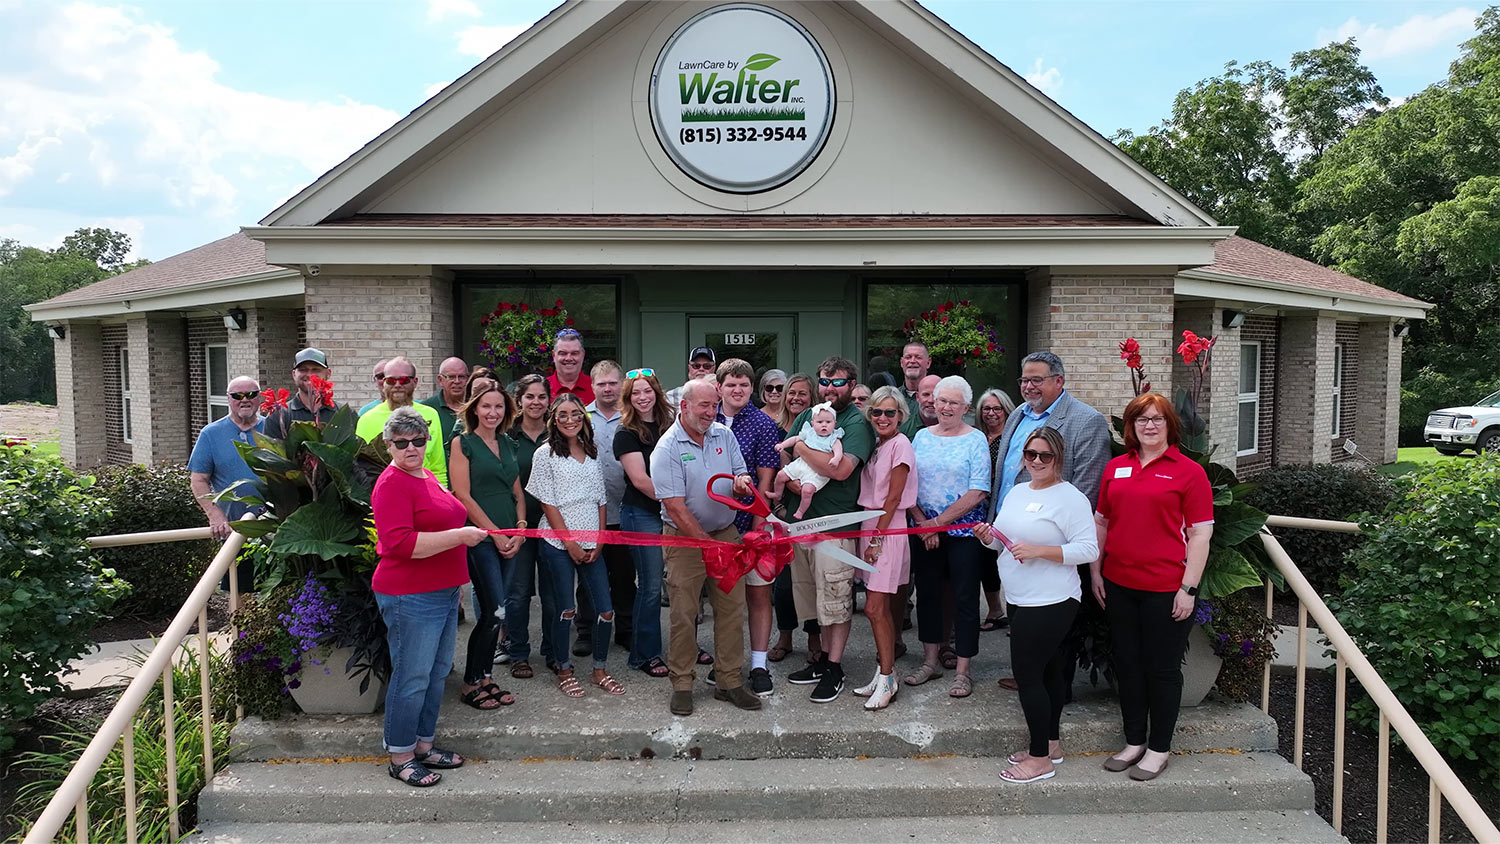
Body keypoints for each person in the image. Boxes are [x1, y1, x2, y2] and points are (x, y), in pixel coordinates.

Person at [1094, 394, 1213, 782]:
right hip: (1119, 584)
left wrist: (1188, 589)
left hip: (1166, 589)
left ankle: (1159, 749)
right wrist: (1096, 572)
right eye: (1141, 419)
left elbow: (1199, 536)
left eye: (1157, 419)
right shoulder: (1116, 467)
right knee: (1127, 664)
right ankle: (1134, 741)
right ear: (1131, 426)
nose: (1149, 425)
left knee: (1161, 670)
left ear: (1169, 426)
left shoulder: (1189, 472)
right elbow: (1101, 524)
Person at [371, 406, 488, 787]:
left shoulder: (425, 477)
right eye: (401, 443)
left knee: (436, 673)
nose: (411, 448)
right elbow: (400, 543)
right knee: (412, 676)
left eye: (418, 441)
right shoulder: (391, 483)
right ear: (388, 445)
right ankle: (401, 754)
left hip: (442, 591)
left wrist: (455, 582)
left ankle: (423, 745)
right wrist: (460, 536)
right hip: (409, 594)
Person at [975, 427, 1098, 784]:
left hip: (1052, 599)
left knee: (1028, 676)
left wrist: (1040, 550)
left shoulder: (1070, 498)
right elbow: (1004, 543)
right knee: (1047, 673)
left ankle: (1039, 758)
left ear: (1058, 458)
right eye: (1031, 454)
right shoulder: (1015, 492)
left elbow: (1088, 549)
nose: (1038, 461)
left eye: (1046, 455)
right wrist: (989, 538)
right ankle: (1051, 744)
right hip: (1019, 596)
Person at [989, 351, 1112, 692]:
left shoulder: (1086, 421)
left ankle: (1056, 691)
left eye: (1036, 380)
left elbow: (1087, 489)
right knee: (1023, 614)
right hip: (1014, 532)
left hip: (1055, 541)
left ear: (1059, 381)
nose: (1029, 387)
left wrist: (1050, 543)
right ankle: (1030, 676)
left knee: (1056, 624)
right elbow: (1007, 476)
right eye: (1024, 380)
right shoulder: (1018, 414)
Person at [651, 379, 761, 716]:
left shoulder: (723, 435)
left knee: (731, 609)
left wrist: (743, 484)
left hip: (726, 533)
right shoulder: (667, 448)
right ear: (684, 406)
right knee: (685, 613)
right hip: (684, 540)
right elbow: (675, 508)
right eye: (704, 405)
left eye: (714, 405)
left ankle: (729, 682)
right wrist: (706, 545)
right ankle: (682, 684)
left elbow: (740, 474)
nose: (711, 412)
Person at [782, 357, 875, 704]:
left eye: (838, 382)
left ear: (852, 384)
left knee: (836, 600)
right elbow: (785, 460)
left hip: (836, 527)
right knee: (811, 599)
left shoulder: (855, 423)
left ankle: (835, 666)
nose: (830, 389)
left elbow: (839, 471)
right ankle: (820, 661)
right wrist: (796, 484)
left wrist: (804, 449)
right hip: (801, 524)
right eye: (825, 381)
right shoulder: (809, 414)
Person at [526, 393, 621, 698]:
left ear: (584, 418)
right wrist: (570, 544)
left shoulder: (591, 452)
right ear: (553, 419)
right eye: (563, 415)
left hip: (593, 541)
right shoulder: (545, 455)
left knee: (605, 609)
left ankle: (599, 669)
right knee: (565, 609)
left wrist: (601, 539)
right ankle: (564, 669)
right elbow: (547, 502)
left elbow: (601, 499)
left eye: (576, 414)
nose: (570, 420)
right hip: (557, 542)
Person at [904, 375, 990, 699]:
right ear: (933, 403)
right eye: (942, 401)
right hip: (925, 528)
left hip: (963, 531)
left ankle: (963, 670)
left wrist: (937, 523)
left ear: (966, 407)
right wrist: (922, 521)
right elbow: (908, 484)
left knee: (966, 598)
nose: (947, 407)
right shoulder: (922, 437)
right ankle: (930, 661)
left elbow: (979, 490)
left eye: (954, 402)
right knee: (927, 593)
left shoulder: (975, 439)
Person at [448, 380, 524, 711]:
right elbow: (462, 495)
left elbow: (517, 490)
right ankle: (470, 683)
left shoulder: (508, 443)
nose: (493, 412)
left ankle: (486, 677)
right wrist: (494, 533)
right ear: (474, 408)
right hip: (480, 537)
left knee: (500, 610)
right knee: (493, 609)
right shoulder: (462, 443)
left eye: (499, 406)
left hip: (511, 535)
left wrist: (520, 529)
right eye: (486, 406)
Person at [715, 358, 783, 698]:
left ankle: (758, 664)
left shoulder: (762, 423)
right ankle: (726, 661)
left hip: (752, 525)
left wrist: (756, 535)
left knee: (758, 594)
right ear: (719, 388)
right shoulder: (704, 419)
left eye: (743, 385)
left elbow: (766, 482)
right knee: (724, 598)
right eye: (731, 385)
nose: (737, 390)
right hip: (714, 527)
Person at [850, 386, 918, 710]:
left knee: (876, 608)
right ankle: (883, 674)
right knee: (877, 608)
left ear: (900, 416)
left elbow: (893, 497)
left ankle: (889, 677)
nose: (882, 417)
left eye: (889, 412)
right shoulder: (880, 445)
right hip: (872, 525)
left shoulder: (901, 445)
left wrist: (876, 540)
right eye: (876, 411)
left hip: (887, 529)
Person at [614, 368, 674, 678]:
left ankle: (683, 647)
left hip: (673, 514)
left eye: (646, 391)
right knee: (651, 587)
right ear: (628, 398)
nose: (642, 397)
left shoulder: (671, 426)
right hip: (643, 514)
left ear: (656, 393)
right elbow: (640, 480)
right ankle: (644, 654)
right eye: (635, 393)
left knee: (681, 585)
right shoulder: (626, 433)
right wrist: (676, 504)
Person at [580, 360, 636, 656]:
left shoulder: (632, 416)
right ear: (592, 387)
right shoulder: (581, 417)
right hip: (589, 512)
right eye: (601, 384)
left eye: (613, 383)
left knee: (625, 576)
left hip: (625, 508)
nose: (608, 388)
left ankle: (626, 630)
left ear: (621, 384)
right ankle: (586, 630)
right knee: (590, 573)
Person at [501, 374, 554, 678]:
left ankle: (551, 649)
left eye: (542, 397)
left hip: (552, 525)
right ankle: (518, 651)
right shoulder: (507, 436)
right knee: (518, 592)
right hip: (518, 524)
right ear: (519, 401)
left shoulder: (558, 432)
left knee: (553, 592)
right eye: (530, 397)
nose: (536, 402)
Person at [188, 375, 264, 588]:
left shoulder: (275, 428)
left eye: (251, 394)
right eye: (237, 395)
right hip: (234, 533)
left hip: (272, 530)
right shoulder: (211, 434)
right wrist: (215, 515)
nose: (245, 399)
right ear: (228, 399)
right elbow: (198, 480)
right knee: (238, 593)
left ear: (260, 398)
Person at [768, 370, 820, 664]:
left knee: (810, 580)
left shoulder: (818, 427)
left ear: (811, 397)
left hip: (812, 512)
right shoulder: (774, 429)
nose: (796, 398)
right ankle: (785, 635)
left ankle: (814, 636)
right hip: (782, 514)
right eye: (791, 392)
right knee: (784, 581)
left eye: (802, 393)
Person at [356, 357, 448, 486]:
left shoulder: (430, 414)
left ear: (415, 382)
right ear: (384, 383)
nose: (397, 385)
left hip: (425, 491)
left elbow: (437, 466)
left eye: (404, 380)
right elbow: (360, 469)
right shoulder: (367, 419)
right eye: (391, 380)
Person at [977, 388, 1018, 635]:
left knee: (1011, 558)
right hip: (981, 505)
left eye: (997, 408)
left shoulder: (1013, 439)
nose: (991, 413)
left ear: (1006, 410)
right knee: (986, 560)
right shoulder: (977, 436)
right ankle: (995, 610)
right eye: (986, 409)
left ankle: (1018, 614)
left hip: (1006, 503)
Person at [771, 402, 845, 520]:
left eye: (828, 422)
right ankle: (777, 494)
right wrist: (783, 445)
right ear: (813, 424)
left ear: (834, 424)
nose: (824, 425)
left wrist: (836, 458)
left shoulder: (833, 438)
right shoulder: (809, 432)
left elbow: (838, 450)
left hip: (817, 471)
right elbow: (795, 439)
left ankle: (800, 511)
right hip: (802, 463)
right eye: (820, 422)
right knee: (780, 475)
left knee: (807, 490)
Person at [263, 348, 341, 439]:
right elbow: (271, 450)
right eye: (303, 370)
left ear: (328, 373)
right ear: (294, 374)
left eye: (316, 370)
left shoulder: (342, 413)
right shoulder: (279, 415)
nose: (309, 375)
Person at [419, 356, 469, 468]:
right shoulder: (426, 409)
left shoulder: (477, 407)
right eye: (451, 377)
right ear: (440, 380)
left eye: (461, 376)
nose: (457, 381)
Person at [546, 328, 594, 407]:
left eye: (574, 353)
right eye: (563, 353)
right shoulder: (542, 389)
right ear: (554, 355)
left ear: (583, 355)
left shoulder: (596, 388)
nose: (568, 358)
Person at [898, 342, 931, 423]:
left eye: (918, 357)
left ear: (928, 363)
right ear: (902, 362)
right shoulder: (893, 398)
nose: (912, 361)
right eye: (908, 357)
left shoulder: (938, 399)